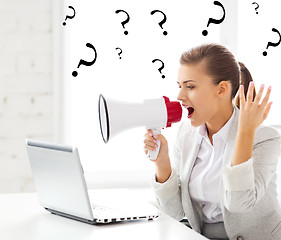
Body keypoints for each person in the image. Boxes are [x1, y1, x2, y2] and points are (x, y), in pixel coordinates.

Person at [144, 43, 281, 240]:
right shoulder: (187, 134)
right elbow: (174, 213)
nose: (180, 97)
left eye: (190, 86)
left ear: (222, 89)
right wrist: (162, 163)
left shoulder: (264, 138)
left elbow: (238, 202)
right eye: (180, 86)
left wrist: (245, 131)